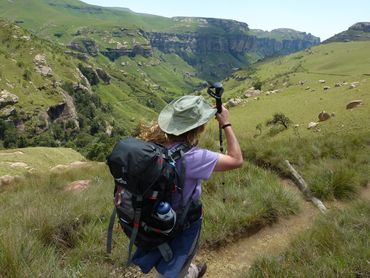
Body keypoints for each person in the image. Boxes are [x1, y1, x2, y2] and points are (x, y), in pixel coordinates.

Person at [133, 95, 243, 278]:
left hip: (152, 218)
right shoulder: (194, 157)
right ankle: (186, 272)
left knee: (166, 254)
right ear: (198, 128)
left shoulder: (153, 147)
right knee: (173, 267)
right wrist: (226, 124)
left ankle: (188, 270)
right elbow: (236, 160)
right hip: (183, 223)